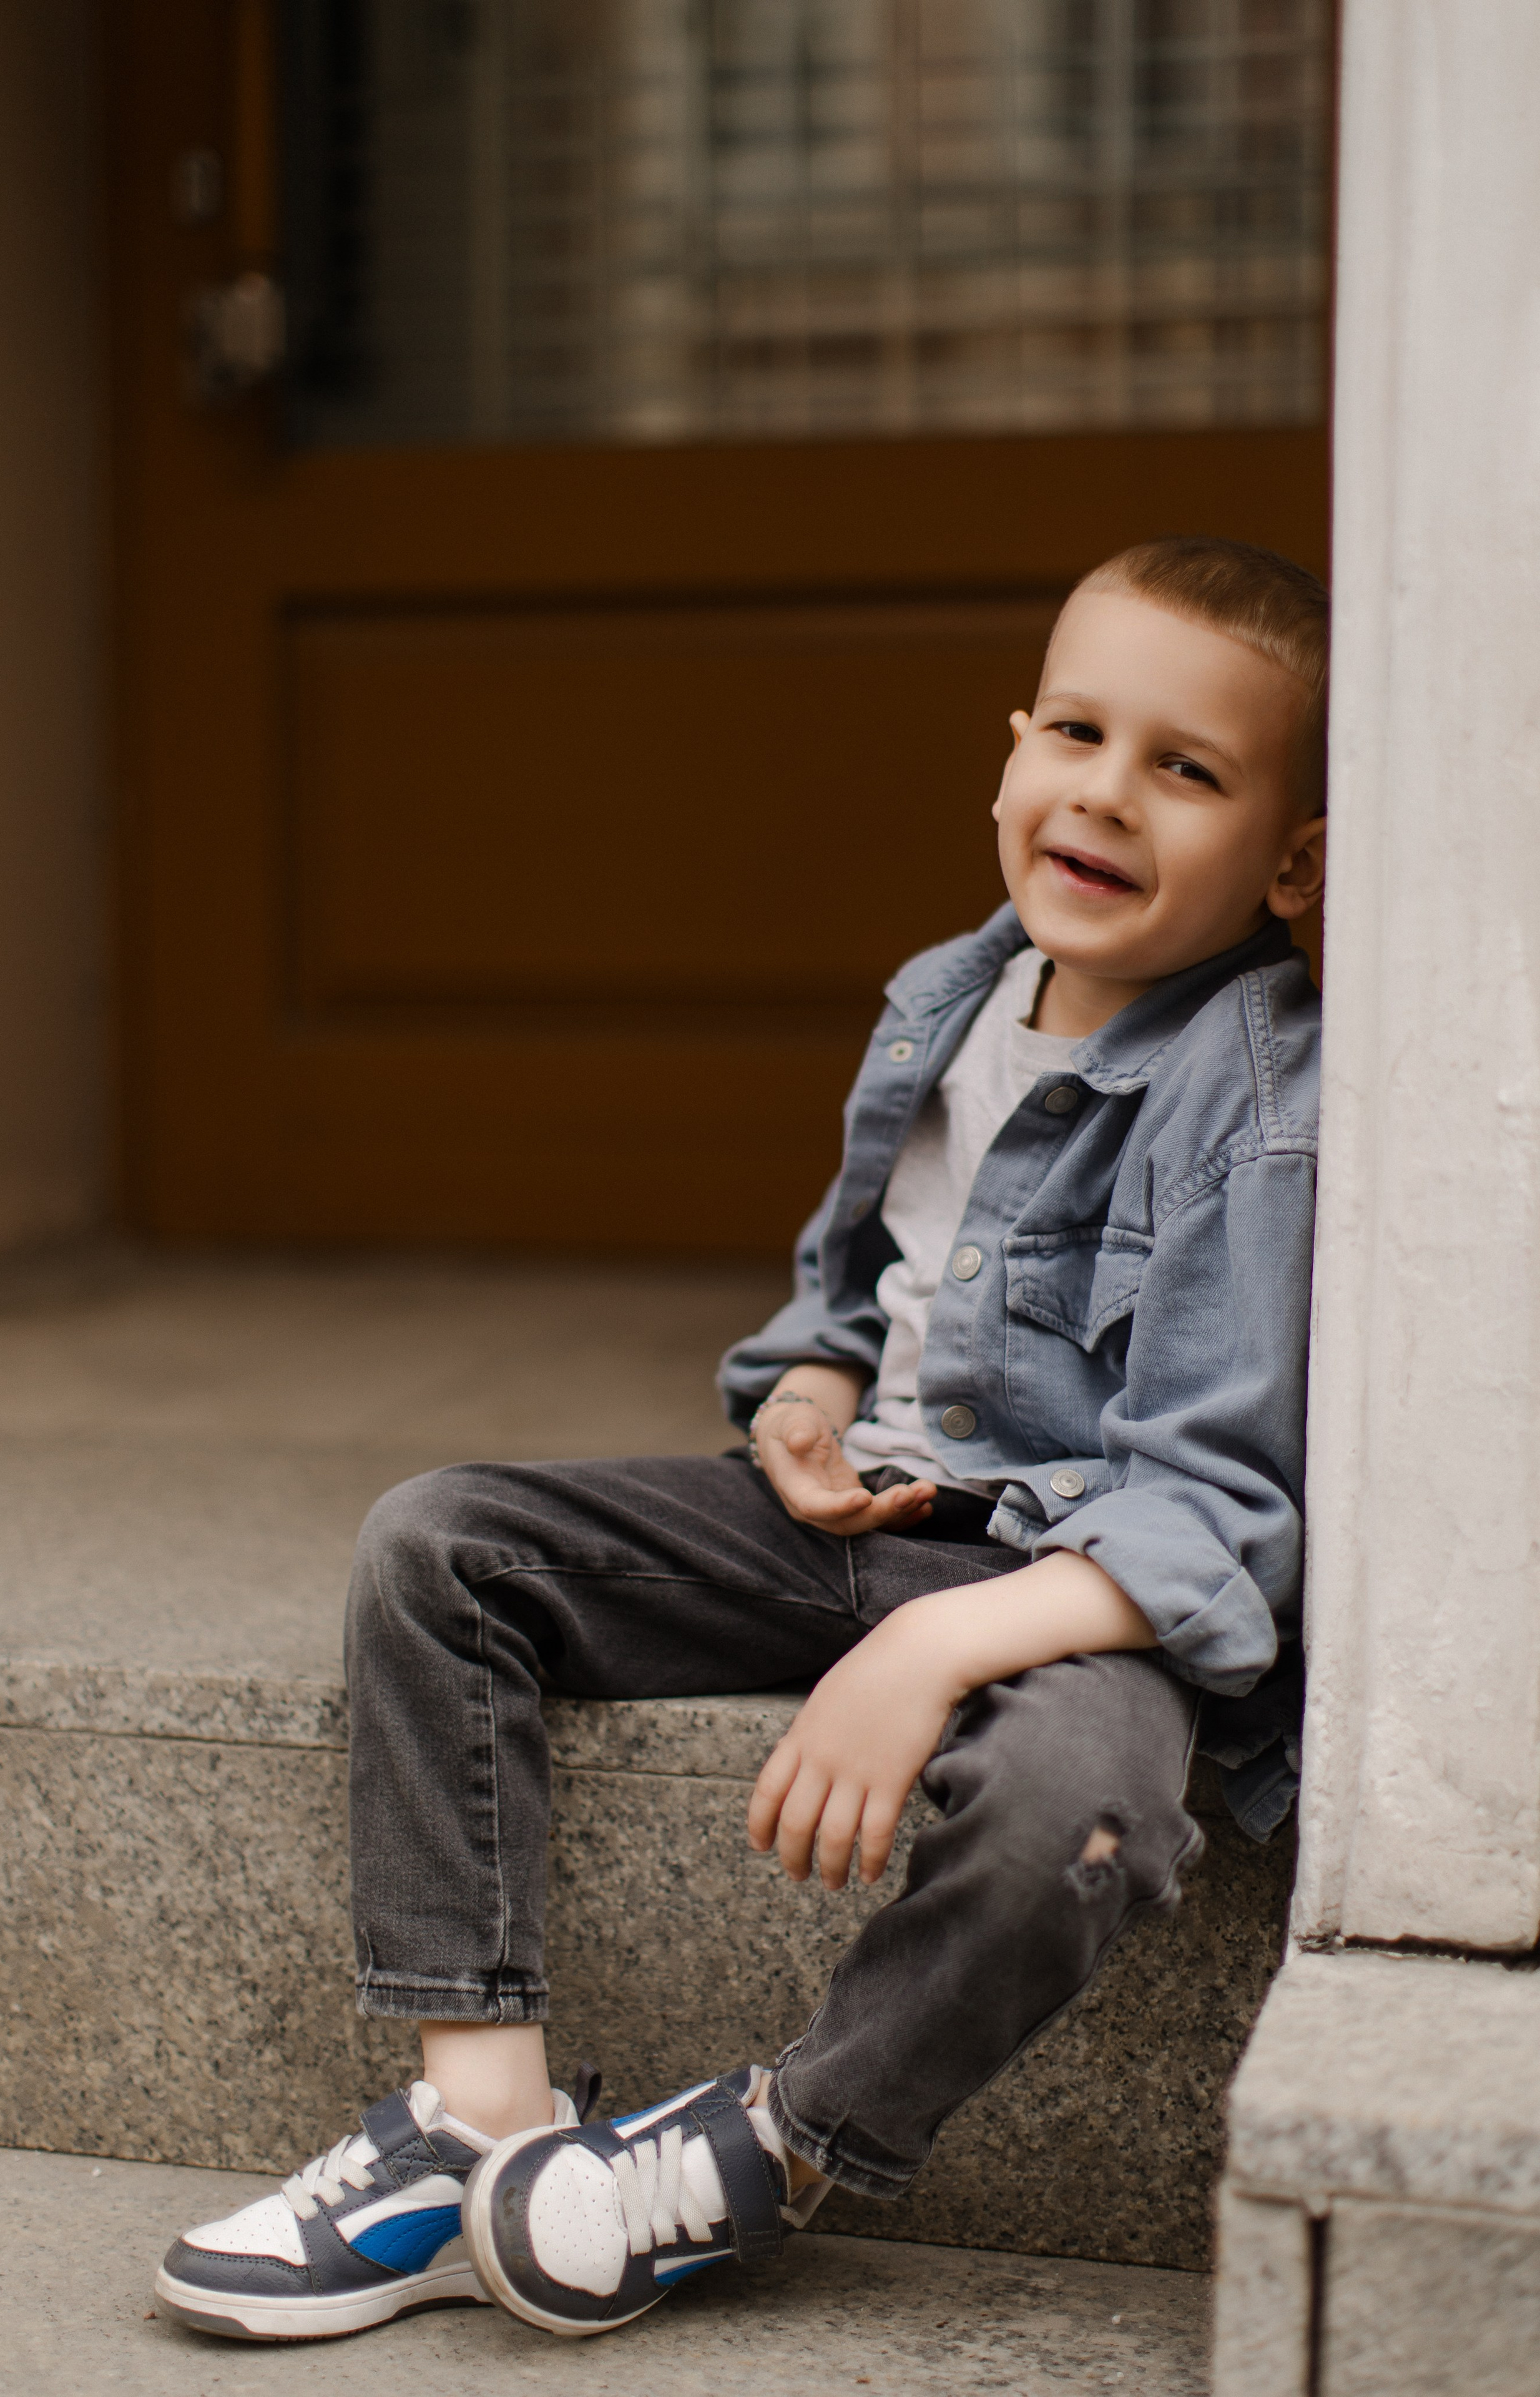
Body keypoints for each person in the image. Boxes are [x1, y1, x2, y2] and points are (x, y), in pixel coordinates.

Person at [155, 534, 1327, 2343]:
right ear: (1011, 749)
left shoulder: (1255, 1093)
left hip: (1075, 1585)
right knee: (440, 1541)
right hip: (880, 1508)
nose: (1107, 795)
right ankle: (475, 2115)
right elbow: (852, 1292)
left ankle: (772, 2147)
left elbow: (1221, 1513)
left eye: (1189, 769)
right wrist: (806, 1397)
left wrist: (940, 1640)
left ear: (1296, 859)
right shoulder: (952, 994)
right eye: (1079, 733)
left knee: (1078, 1815)